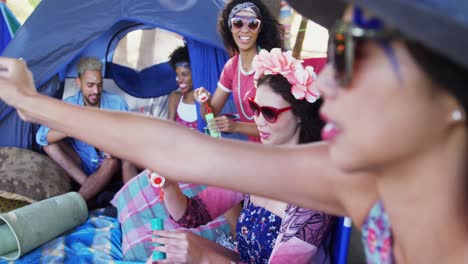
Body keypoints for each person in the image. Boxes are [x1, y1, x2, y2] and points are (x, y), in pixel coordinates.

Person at [1, 0, 468, 262]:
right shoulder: (364, 185)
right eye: (337, 47)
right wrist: (35, 104)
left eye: (353, 56)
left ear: (452, 98)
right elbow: (179, 148)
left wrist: (209, 256)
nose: (325, 82)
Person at [152, 49, 333, 263]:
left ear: (300, 116)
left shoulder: (313, 194)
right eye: (254, 108)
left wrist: (205, 258)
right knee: (177, 244)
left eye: (269, 113)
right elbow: (193, 214)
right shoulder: (255, 164)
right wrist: (169, 184)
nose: (258, 120)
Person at [35, 57, 136, 201]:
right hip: (82, 164)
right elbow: (41, 137)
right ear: (78, 83)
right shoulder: (69, 106)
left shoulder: (116, 103)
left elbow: (132, 136)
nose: (96, 90)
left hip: (109, 163)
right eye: (90, 85)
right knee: (51, 146)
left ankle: (78, 203)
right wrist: (72, 127)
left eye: (99, 85)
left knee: (112, 162)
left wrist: (115, 148)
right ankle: (91, 186)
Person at [194, 0, 284, 141]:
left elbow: (278, 126)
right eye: (238, 23)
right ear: (230, 27)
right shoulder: (232, 66)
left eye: (252, 23)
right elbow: (210, 117)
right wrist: (204, 103)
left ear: (260, 28)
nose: (245, 29)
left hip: (276, 150)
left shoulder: (272, 65)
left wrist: (236, 127)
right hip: (251, 151)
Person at [167, 45, 198, 130]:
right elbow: (169, 130)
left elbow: (214, 133)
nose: (179, 80)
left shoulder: (206, 101)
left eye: (184, 74)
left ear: (197, 73)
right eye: (177, 75)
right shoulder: (175, 98)